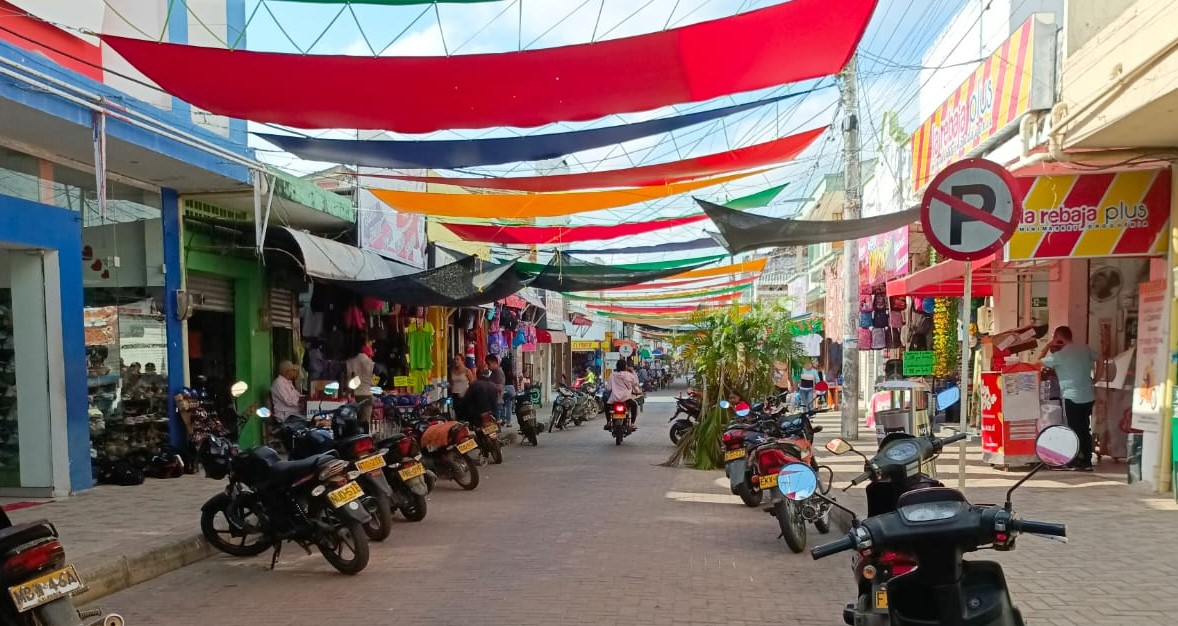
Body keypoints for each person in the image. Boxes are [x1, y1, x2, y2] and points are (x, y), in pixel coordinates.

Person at [1037, 326, 1096, 471]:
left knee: (1075, 429)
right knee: (1084, 428)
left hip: (1071, 397)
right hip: (1088, 395)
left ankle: (1077, 459)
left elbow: (1036, 362)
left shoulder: (1059, 356)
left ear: (1058, 337)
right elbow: (1100, 359)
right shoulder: (1085, 349)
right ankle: (1087, 460)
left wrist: (1046, 346)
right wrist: (1097, 378)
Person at [345, 337, 375, 431]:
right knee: (365, 422)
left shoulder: (350, 362)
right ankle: (365, 440)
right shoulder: (370, 363)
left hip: (354, 395)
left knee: (353, 424)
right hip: (367, 395)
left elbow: (348, 379)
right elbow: (373, 381)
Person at [607, 360, 642, 431]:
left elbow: (608, 388)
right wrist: (632, 372)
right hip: (626, 399)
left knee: (606, 406)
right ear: (625, 366)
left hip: (614, 399)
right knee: (634, 406)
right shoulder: (629, 375)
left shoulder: (612, 375)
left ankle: (608, 422)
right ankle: (632, 423)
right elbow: (636, 384)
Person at [485, 354, 506, 425]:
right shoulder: (494, 372)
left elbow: (500, 387)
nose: (488, 367)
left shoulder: (498, 372)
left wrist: (488, 385)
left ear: (494, 362)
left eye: (489, 364)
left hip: (497, 401)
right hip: (494, 401)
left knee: (495, 424)